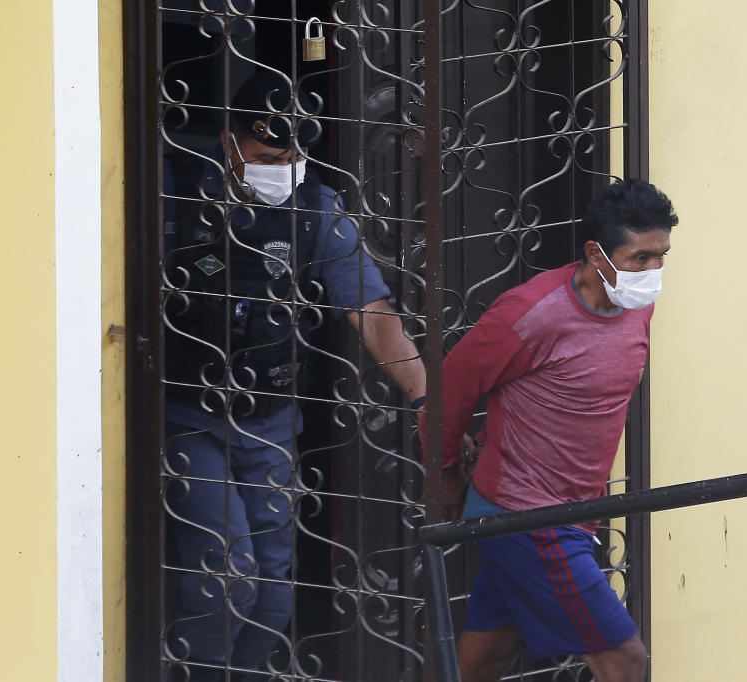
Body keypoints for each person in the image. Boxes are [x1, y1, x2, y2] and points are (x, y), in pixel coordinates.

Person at [162, 70, 426, 681]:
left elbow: (371, 312)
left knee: (274, 596)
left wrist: (422, 393)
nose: (279, 168)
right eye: (263, 158)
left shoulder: (315, 208)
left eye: (288, 156)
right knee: (224, 582)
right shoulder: (174, 190)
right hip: (190, 419)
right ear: (228, 144)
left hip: (272, 419)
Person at [434, 179, 677, 682]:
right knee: (624, 657)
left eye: (662, 257)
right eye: (641, 258)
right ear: (596, 254)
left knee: (486, 659)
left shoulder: (638, 305)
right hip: (529, 515)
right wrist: (445, 475)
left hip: (575, 510)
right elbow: (448, 392)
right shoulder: (532, 314)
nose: (653, 272)